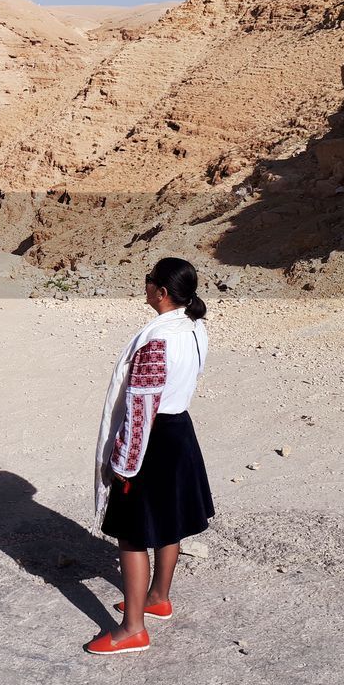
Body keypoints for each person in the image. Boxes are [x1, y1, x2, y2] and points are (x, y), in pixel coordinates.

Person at [85, 256, 214, 655]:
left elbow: (141, 407)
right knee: (169, 521)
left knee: (132, 533)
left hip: (152, 440)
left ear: (160, 292)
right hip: (180, 433)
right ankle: (158, 596)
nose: (144, 287)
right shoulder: (195, 328)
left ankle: (132, 629)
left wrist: (123, 464)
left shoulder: (158, 339)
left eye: (147, 281)